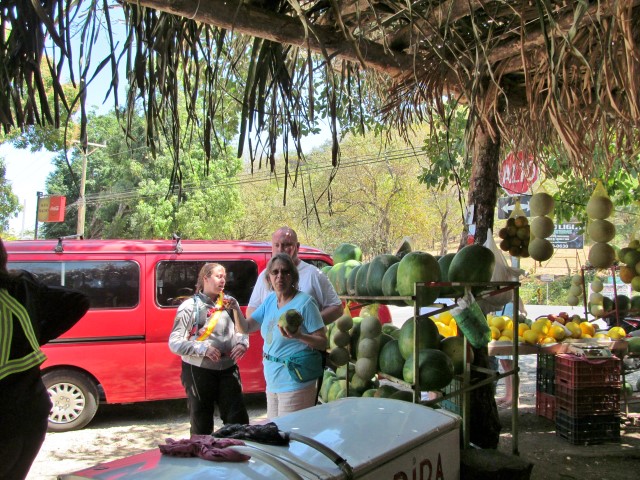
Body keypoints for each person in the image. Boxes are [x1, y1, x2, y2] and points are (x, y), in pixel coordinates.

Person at [0, 238, 90, 480]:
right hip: (31, 410)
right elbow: (78, 300)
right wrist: (34, 335)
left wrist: (34, 335)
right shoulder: (21, 285)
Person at [235, 253, 327, 419]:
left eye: (285, 272)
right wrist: (235, 307)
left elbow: (322, 342)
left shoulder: (305, 303)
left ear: (293, 276)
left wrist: (299, 335)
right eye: (275, 272)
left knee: (291, 432)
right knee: (275, 431)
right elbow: (246, 328)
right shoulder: (270, 300)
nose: (280, 276)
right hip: (272, 381)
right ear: (268, 277)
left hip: (296, 381)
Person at [168, 263, 250, 435]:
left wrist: (242, 343)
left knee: (239, 421)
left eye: (224, 277)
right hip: (198, 371)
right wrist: (203, 348)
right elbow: (174, 342)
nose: (223, 280)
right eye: (218, 276)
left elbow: (241, 330)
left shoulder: (230, 303)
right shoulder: (189, 307)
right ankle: (201, 452)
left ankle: (237, 449)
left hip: (228, 369)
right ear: (205, 278)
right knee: (202, 424)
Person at [246, 227, 342, 325]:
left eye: (286, 245)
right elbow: (252, 309)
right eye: (276, 245)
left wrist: (308, 324)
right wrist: (271, 326)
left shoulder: (314, 274)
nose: (280, 250)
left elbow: (337, 308)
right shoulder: (265, 275)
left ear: (297, 246)